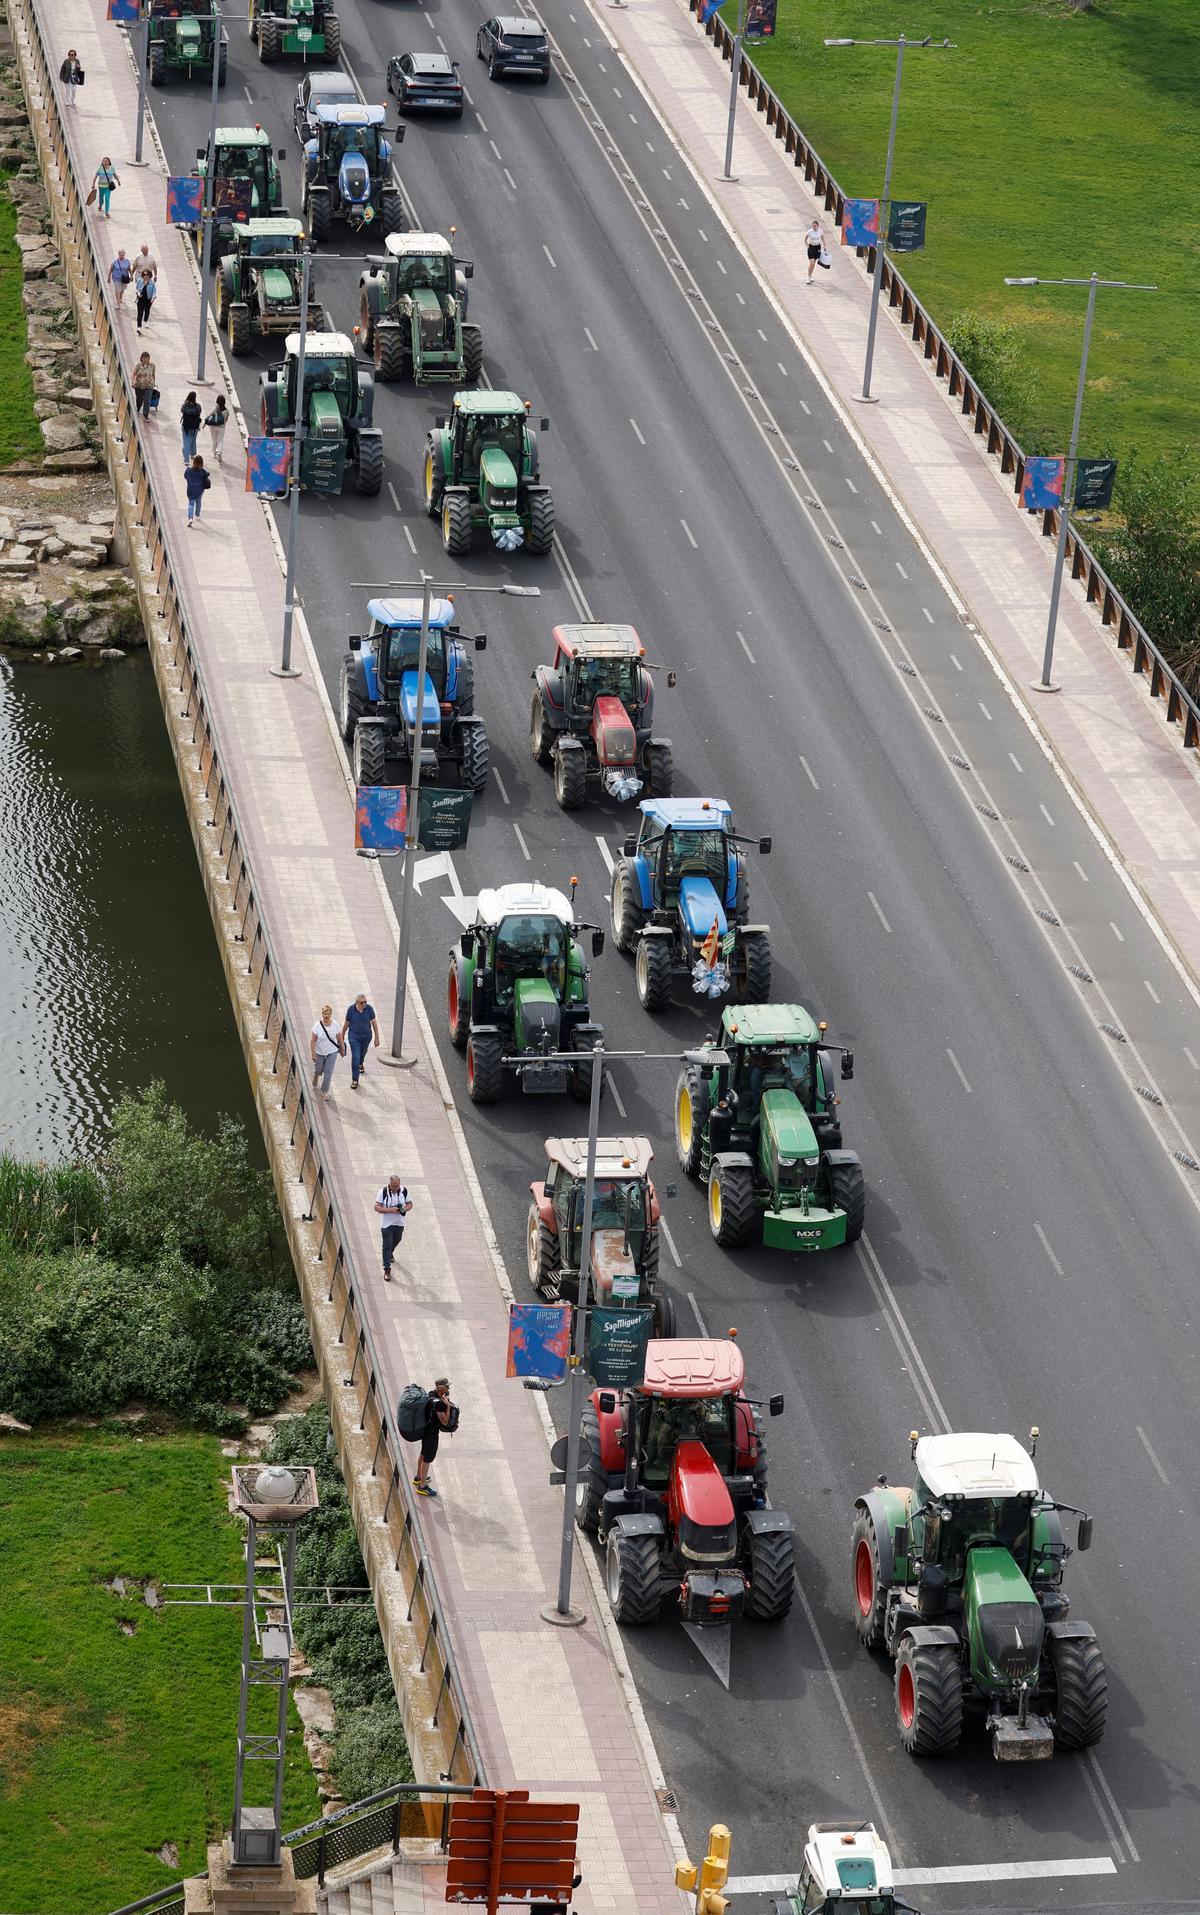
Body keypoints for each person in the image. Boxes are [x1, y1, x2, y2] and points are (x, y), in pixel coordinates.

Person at [414, 1378, 453, 1497]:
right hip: (431, 1434)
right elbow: (445, 1421)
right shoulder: (439, 1404)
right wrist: (448, 1406)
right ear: (440, 1388)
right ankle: (422, 1486)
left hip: (425, 1430)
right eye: (447, 1387)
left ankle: (418, 1477)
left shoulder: (431, 1395)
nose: (448, 1389)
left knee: (423, 1453)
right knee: (428, 1458)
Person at [375, 1174, 412, 1282]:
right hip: (386, 1224)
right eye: (394, 1186)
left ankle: (390, 1252)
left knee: (397, 1239)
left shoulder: (404, 1190)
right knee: (386, 1245)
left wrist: (404, 1209)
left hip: (399, 1223)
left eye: (397, 1186)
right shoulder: (383, 1192)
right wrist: (390, 1210)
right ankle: (387, 1269)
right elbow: (376, 1207)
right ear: (390, 1184)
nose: (396, 1188)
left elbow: (410, 1204)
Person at [339, 993, 379, 1090]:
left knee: (362, 1053)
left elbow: (374, 1024)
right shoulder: (351, 1010)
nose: (364, 1004)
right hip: (354, 1037)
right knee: (356, 1056)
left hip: (366, 1037)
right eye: (362, 1002)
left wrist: (377, 1038)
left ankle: (361, 1063)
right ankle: (355, 1079)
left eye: (365, 1002)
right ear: (356, 1002)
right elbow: (346, 1024)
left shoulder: (369, 1009)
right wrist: (342, 1035)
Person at [309, 1003, 342, 1094]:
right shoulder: (317, 1026)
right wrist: (313, 1053)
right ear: (322, 1014)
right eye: (324, 1014)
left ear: (331, 1014)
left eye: (328, 1014)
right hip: (319, 1051)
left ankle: (324, 1091)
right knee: (319, 1069)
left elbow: (340, 1037)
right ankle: (316, 1076)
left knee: (328, 1072)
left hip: (332, 1051)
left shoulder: (335, 1024)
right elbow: (312, 1040)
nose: (326, 1016)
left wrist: (342, 1049)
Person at [184, 454, 210, 527]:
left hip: (191, 489)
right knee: (198, 502)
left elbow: (185, 476)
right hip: (199, 490)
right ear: (201, 463)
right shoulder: (202, 471)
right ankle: (197, 515)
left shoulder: (188, 470)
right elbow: (207, 474)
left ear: (194, 462)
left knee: (191, 504)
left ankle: (190, 519)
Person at [132, 351, 156, 421]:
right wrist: (132, 382)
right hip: (139, 385)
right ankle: (138, 408)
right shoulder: (138, 365)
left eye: (147, 358)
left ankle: (146, 414)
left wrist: (154, 382)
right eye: (144, 358)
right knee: (139, 399)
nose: (146, 360)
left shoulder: (152, 366)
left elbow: (153, 374)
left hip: (149, 385)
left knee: (147, 399)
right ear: (141, 358)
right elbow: (133, 373)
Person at [180, 391, 202, 467]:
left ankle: (186, 460)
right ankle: (192, 454)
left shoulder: (185, 406)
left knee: (186, 442)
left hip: (185, 426)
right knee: (193, 440)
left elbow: (182, 411)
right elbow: (199, 413)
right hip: (195, 427)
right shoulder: (198, 406)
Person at [205, 394, 228, 464]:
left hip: (213, 426)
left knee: (214, 440)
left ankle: (214, 453)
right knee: (220, 440)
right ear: (224, 402)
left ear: (217, 401)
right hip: (221, 428)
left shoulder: (215, 408)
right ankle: (219, 452)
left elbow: (210, 415)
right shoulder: (226, 411)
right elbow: (226, 419)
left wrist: (206, 422)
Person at [135, 268, 157, 335]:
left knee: (147, 311)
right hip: (141, 299)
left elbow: (154, 292)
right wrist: (138, 293)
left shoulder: (152, 283)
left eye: (147, 275)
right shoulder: (139, 280)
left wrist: (153, 298)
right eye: (144, 274)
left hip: (148, 300)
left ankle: (145, 320)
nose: (145, 276)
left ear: (149, 275)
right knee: (140, 313)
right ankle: (139, 327)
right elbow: (136, 289)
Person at [805, 216, 825, 284]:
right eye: (813, 226)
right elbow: (805, 239)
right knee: (811, 263)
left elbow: (823, 239)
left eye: (815, 226)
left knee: (813, 264)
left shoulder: (820, 231)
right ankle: (808, 276)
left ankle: (811, 275)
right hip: (811, 247)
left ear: (818, 226)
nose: (814, 227)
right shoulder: (810, 231)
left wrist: (824, 246)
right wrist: (807, 246)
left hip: (817, 248)